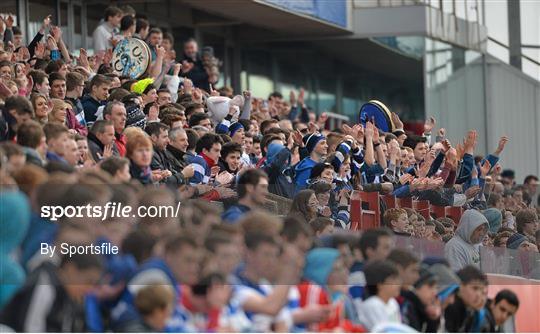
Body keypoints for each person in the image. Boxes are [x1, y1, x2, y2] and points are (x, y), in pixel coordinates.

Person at [0, 253, 103, 332]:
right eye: (88, 281)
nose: (89, 289)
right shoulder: (44, 282)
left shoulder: (68, 294)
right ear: (71, 269)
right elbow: (30, 329)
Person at [356, 260, 402, 331]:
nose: (398, 283)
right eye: (393, 279)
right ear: (380, 285)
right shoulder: (372, 305)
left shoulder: (393, 302)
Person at [444, 265, 489, 332]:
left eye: (481, 290)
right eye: (475, 288)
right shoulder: (450, 308)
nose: (479, 295)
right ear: (460, 286)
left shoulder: (470, 310)